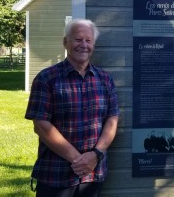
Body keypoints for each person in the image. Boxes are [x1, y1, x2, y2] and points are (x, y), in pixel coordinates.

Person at [25, 19, 120, 197]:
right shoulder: (46, 78)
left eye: (88, 40)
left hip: (93, 174)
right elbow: (41, 126)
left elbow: (112, 120)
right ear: (65, 42)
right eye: (77, 39)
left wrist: (96, 155)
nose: (83, 45)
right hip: (56, 175)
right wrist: (79, 160)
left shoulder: (105, 79)